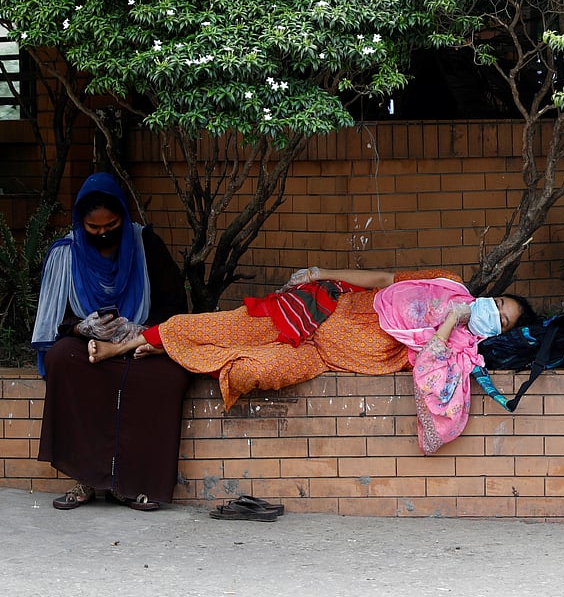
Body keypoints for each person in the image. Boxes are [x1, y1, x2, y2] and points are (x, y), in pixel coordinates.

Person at [87, 268, 535, 451]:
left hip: (319, 357)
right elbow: (382, 277)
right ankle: (125, 345)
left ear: (500, 334)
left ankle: (163, 348)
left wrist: (450, 324)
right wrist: (323, 272)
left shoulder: (459, 351)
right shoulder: (448, 285)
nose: (493, 312)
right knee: (223, 325)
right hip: (317, 312)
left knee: (250, 371)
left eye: (503, 320)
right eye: (497, 303)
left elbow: (429, 379)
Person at [31, 172, 191, 511]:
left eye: (111, 224)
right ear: (81, 222)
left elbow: (176, 308)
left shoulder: (147, 245)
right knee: (63, 359)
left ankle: (132, 483)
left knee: (168, 376)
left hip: (142, 341)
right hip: (86, 343)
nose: (103, 232)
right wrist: (82, 328)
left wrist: (140, 331)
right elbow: (53, 323)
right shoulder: (66, 254)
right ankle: (86, 477)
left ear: (124, 216)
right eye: (93, 227)